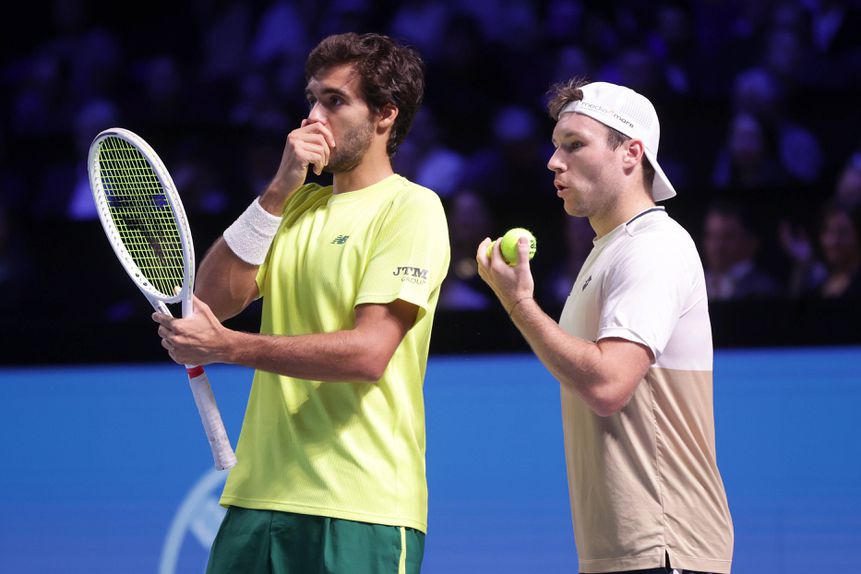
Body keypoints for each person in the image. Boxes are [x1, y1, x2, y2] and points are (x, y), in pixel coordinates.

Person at [153, 32, 450, 574]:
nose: (312, 118)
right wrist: (277, 191)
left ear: (385, 115)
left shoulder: (412, 209)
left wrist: (232, 348)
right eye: (312, 99)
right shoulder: (292, 207)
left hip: (360, 506)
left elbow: (368, 353)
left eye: (335, 101)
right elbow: (211, 301)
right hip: (258, 498)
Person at [476, 79, 733, 573]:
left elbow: (608, 383)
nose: (554, 162)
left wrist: (519, 305)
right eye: (555, 147)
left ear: (631, 153)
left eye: (574, 145)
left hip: (667, 546)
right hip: (627, 552)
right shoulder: (611, 249)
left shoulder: (653, 246)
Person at [702, 199, 784, 301]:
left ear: (752, 242)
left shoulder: (767, 290)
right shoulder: (695, 283)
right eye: (712, 236)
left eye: (728, 237)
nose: (718, 246)